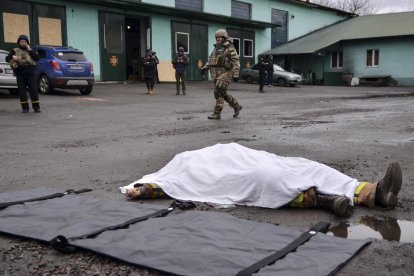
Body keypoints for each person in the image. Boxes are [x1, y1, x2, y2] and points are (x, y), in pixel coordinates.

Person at [121, 143, 403, 217]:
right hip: (239, 174)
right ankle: (328, 201)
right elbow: (164, 185)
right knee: (268, 178)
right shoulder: (177, 169)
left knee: (308, 165)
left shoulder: (199, 154)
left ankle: (372, 192)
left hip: (248, 157)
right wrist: (143, 189)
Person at [201, 29, 242, 120]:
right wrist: (204, 68)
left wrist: (236, 73)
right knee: (222, 93)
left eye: (220, 37)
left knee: (218, 91)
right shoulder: (215, 48)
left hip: (226, 73)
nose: (218, 39)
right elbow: (211, 60)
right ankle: (236, 106)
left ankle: (217, 113)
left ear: (224, 38)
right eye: (217, 37)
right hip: (216, 74)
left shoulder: (230, 48)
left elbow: (236, 61)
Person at [5, 34, 40, 113]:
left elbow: (37, 58)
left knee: (33, 90)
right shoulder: (15, 50)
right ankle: (25, 108)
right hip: (20, 72)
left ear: (27, 42)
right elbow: (7, 58)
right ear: (19, 42)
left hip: (30, 72)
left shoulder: (31, 50)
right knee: (22, 91)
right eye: (22, 41)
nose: (23, 43)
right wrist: (12, 57)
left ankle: (36, 107)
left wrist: (29, 49)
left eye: (25, 41)